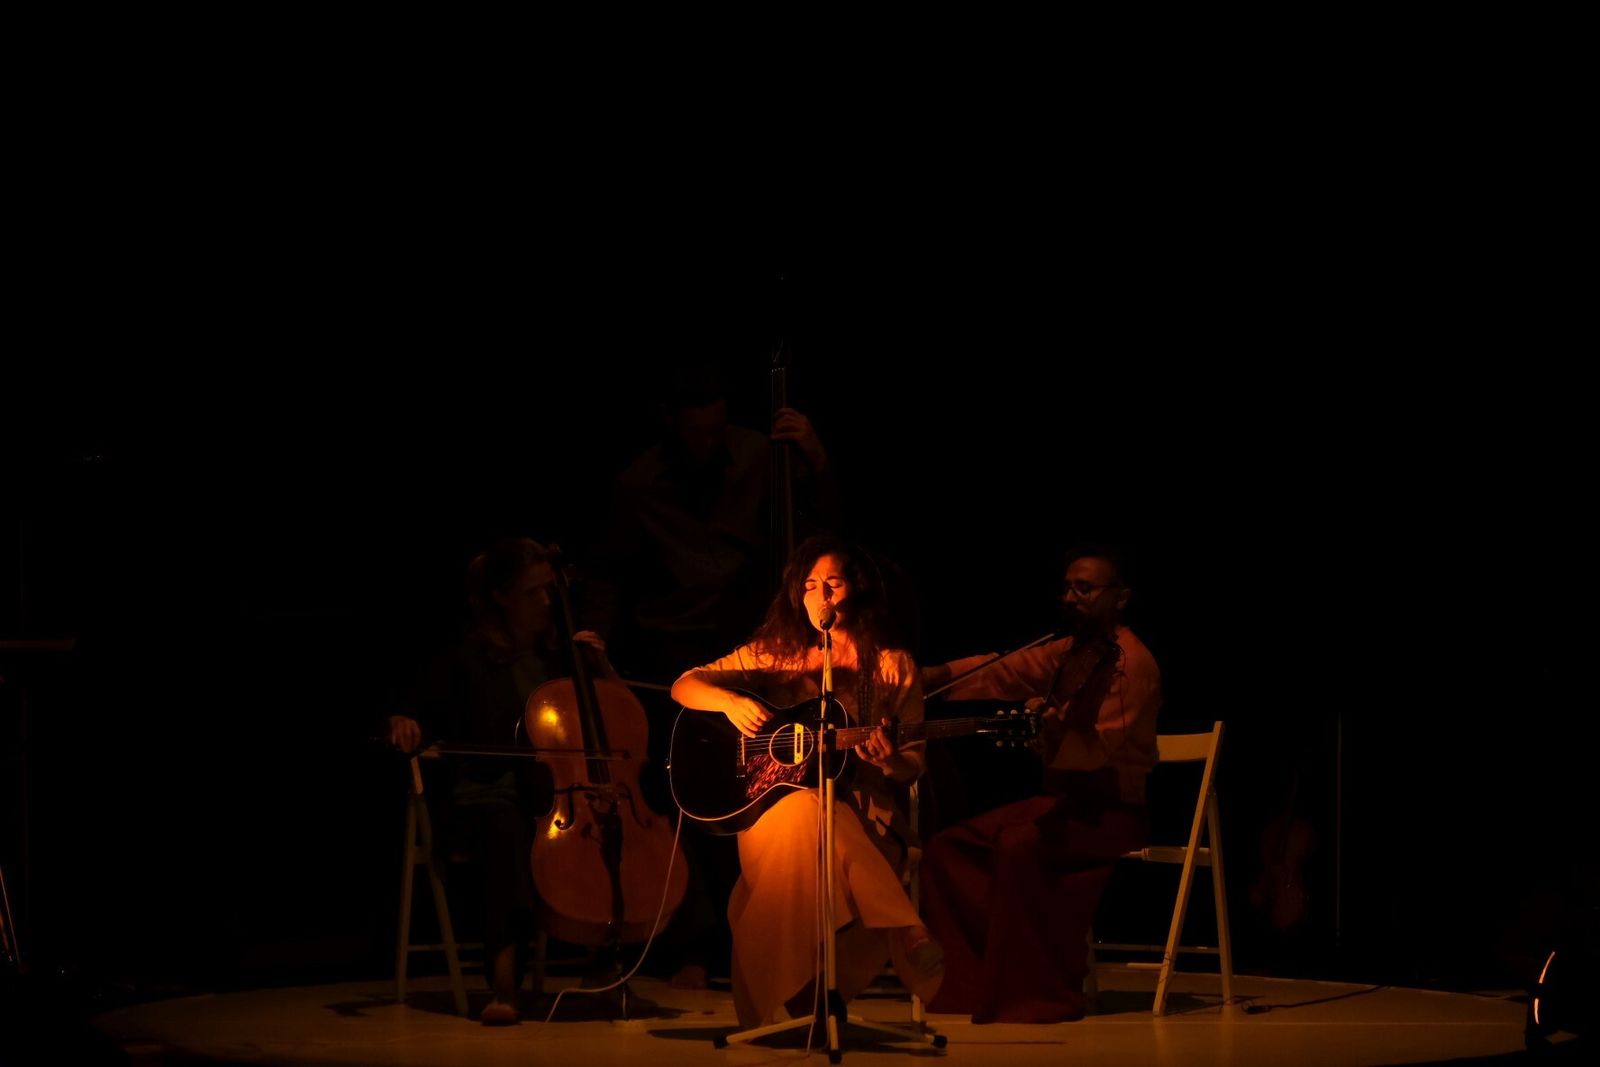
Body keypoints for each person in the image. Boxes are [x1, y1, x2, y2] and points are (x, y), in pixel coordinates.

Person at [584, 363, 839, 988]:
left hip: (758, 641)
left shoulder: (760, 455)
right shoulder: (639, 483)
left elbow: (828, 538)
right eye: (696, 434)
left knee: (770, 788)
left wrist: (815, 461)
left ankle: (775, 940)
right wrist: (592, 633)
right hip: (675, 647)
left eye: (716, 431)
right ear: (669, 422)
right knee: (688, 796)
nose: (709, 445)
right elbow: (609, 572)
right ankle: (694, 944)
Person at [670, 534, 944, 1028]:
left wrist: (887, 762)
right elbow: (685, 684)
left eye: (832, 584)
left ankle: (806, 998)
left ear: (856, 589)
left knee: (821, 815)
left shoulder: (892, 666)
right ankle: (903, 928)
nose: (821, 596)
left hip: (866, 814)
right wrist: (730, 702)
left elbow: (913, 764)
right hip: (770, 810)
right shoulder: (776, 655)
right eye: (811, 586)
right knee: (805, 809)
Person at [915, 545, 1161, 1023]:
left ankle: (1033, 995)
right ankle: (968, 988)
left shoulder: (1133, 664)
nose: (1070, 597)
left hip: (1112, 812)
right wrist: (930, 678)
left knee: (1019, 845)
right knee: (948, 849)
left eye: (1085, 588)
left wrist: (1050, 737)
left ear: (1121, 597)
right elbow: (1006, 671)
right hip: (1064, 803)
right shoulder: (1072, 652)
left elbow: (1094, 751)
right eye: (1067, 587)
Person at [386, 536, 620, 1025]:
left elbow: (614, 725)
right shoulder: (467, 658)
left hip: (549, 798)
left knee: (612, 824)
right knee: (505, 830)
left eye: (548, 591)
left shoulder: (560, 657)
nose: (547, 602)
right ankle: (504, 983)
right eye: (533, 592)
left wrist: (600, 668)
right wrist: (404, 722)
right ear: (501, 598)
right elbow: (412, 710)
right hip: (484, 798)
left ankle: (607, 968)